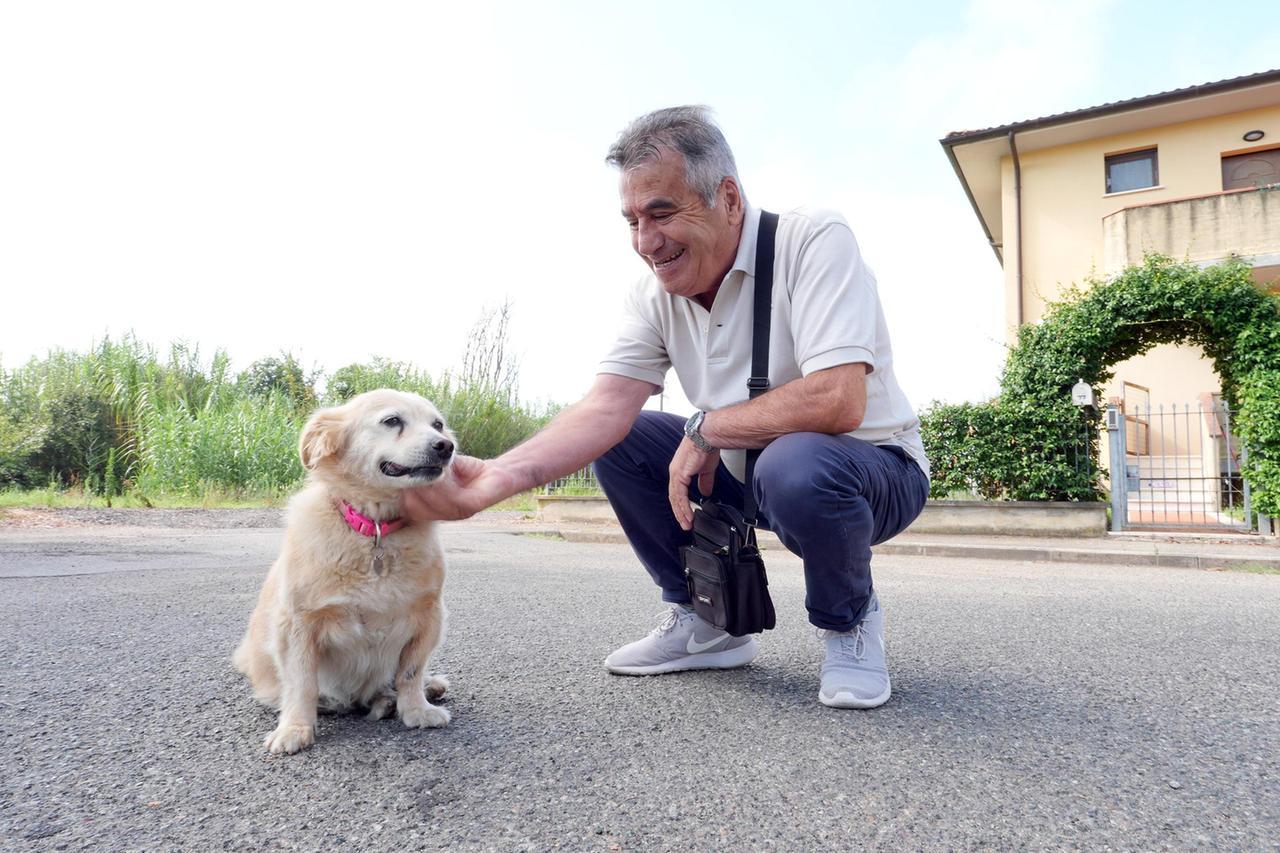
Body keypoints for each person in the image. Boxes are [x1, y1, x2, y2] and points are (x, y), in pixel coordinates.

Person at [403, 106, 929, 709]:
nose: (645, 243)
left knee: (796, 464)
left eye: (662, 213)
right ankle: (707, 622)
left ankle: (849, 622)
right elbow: (605, 409)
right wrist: (497, 477)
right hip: (747, 472)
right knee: (623, 440)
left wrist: (708, 429)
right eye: (632, 221)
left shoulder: (812, 238)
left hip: (870, 472)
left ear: (728, 199)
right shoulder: (653, 295)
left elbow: (838, 398)